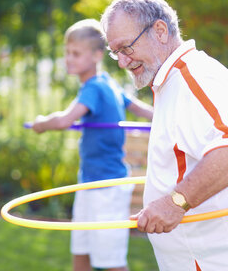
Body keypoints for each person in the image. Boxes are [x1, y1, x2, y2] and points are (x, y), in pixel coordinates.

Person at [100, 0, 228, 271]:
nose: (122, 61)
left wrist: (174, 203)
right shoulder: (173, 81)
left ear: (160, 30)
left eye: (126, 48)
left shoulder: (195, 79)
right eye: (114, 51)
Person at [30, 18, 153, 271]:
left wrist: (42, 123)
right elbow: (140, 109)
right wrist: (160, 115)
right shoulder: (107, 82)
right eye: (67, 52)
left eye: (76, 53)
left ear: (97, 55)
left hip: (107, 188)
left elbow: (65, 119)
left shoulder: (95, 88)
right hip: (89, 182)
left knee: (111, 262)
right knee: (81, 255)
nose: (69, 59)